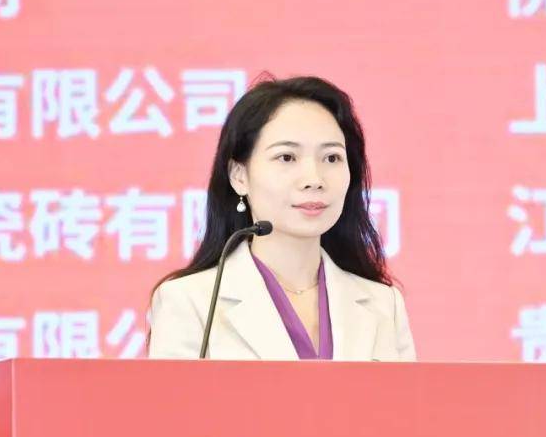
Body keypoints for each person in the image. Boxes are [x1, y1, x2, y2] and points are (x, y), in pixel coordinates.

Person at [147, 75, 416, 361]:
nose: (314, 179)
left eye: (331, 158)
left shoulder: (384, 305)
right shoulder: (189, 301)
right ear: (239, 176)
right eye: (287, 157)